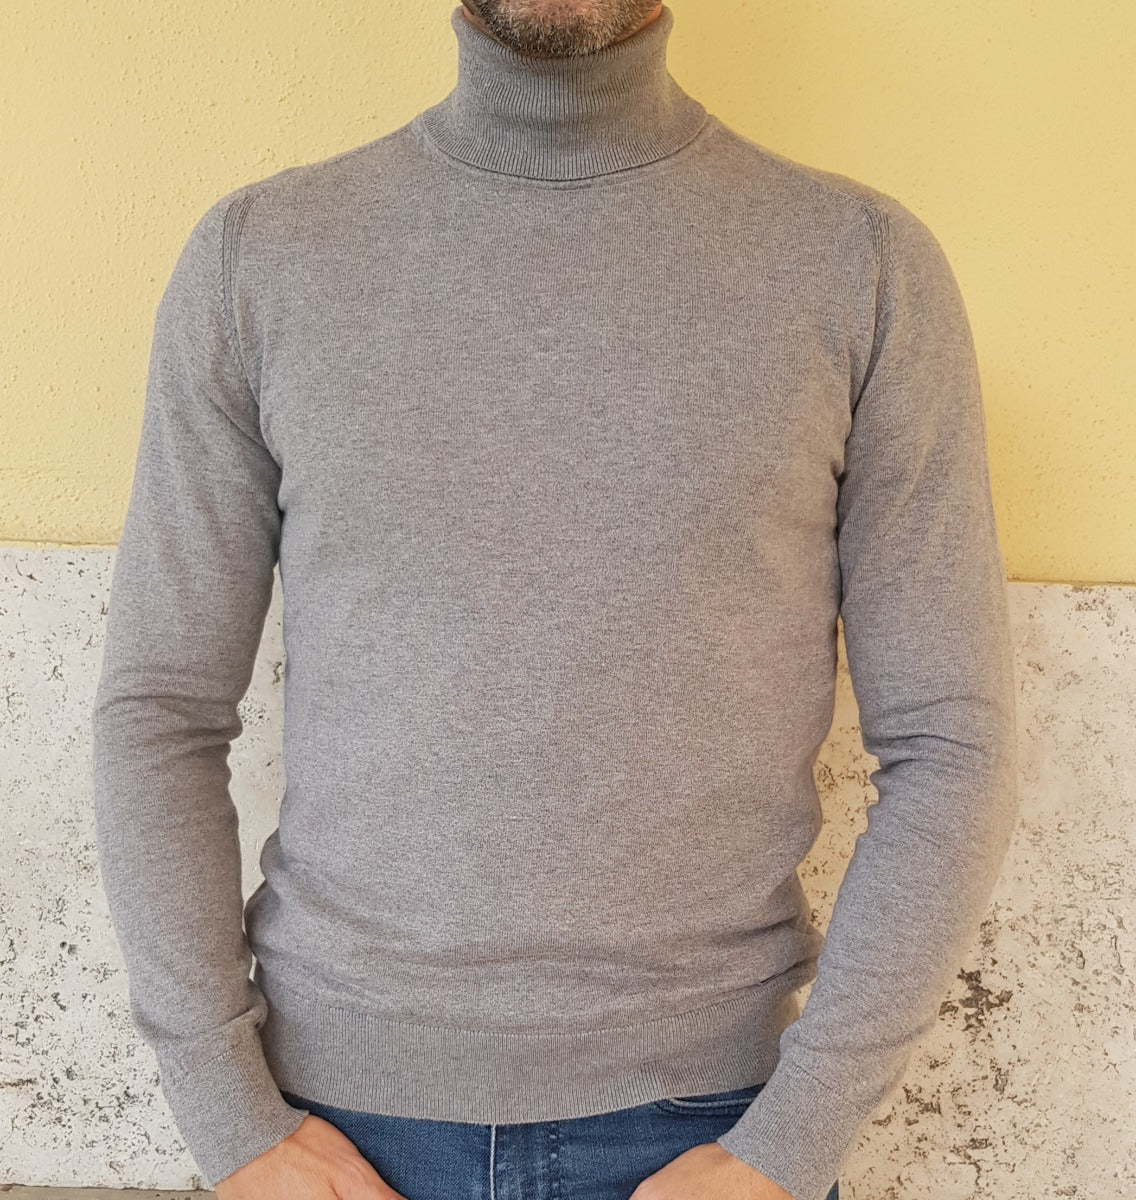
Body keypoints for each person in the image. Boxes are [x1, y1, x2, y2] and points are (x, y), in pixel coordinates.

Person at [90, 2, 1019, 1198]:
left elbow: (947, 742)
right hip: (327, 1134)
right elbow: (160, 711)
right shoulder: (259, 259)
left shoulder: (861, 265)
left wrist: (790, 1145)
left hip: (715, 1133)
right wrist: (228, 1118)